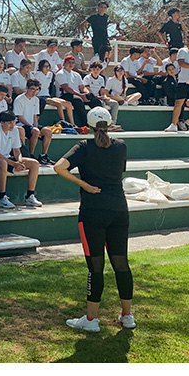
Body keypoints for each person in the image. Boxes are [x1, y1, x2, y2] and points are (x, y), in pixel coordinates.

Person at [54, 105, 135, 332]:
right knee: (121, 263)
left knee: (95, 267)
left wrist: (85, 184)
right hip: (119, 209)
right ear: (109, 124)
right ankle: (127, 315)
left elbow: (59, 167)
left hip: (93, 211)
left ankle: (91, 319)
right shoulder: (121, 146)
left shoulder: (84, 147)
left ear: (88, 126)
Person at [0, 110, 41, 209]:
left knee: (35, 163)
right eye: (9, 123)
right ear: (2, 123)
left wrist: (19, 161)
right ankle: (1, 198)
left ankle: (30, 196)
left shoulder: (15, 131)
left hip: (8, 158)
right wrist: (14, 164)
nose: (12, 125)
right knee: (3, 163)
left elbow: (17, 151)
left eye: (13, 122)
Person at [13, 78, 54, 164]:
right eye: (32, 89)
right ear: (26, 88)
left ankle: (43, 155)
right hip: (21, 124)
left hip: (31, 125)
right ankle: (30, 155)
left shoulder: (36, 99)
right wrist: (32, 127)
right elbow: (20, 117)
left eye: (36, 90)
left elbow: (35, 116)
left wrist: (35, 126)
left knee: (48, 131)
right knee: (35, 131)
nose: (34, 92)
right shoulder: (19, 99)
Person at [55, 54, 90, 128]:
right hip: (64, 95)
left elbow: (82, 87)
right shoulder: (60, 74)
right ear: (64, 63)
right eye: (69, 62)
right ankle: (85, 123)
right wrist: (80, 95)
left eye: (72, 63)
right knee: (78, 100)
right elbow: (66, 88)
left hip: (77, 95)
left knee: (92, 98)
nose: (71, 64)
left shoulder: (76, 74)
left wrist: (87, 94)